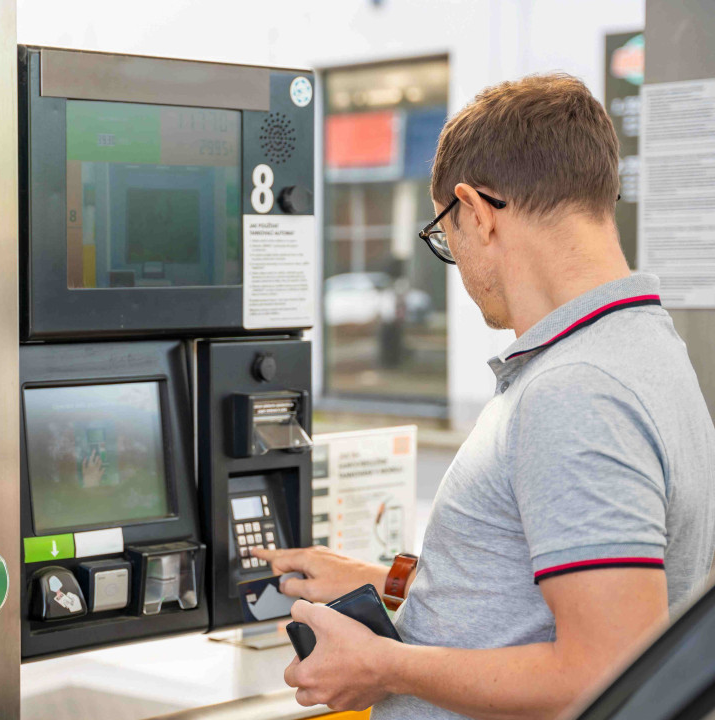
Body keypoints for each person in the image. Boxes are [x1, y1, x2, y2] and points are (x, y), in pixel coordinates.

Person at [253, 73, 715, 720]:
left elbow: (606, 668)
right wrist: (385, 583)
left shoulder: (576, 392)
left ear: (475, 211)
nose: (458, 259)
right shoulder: (643, 349)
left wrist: (380, 664)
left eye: (446, 235)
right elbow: (545, 585)